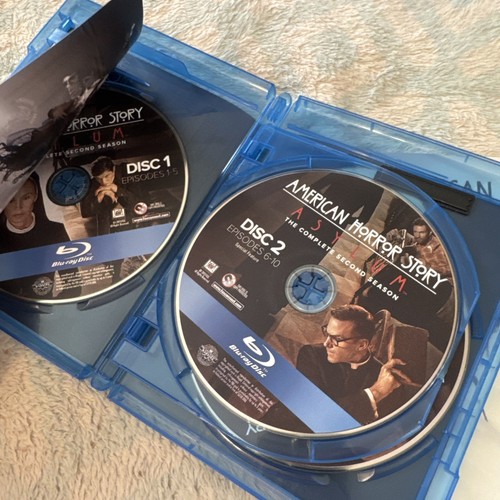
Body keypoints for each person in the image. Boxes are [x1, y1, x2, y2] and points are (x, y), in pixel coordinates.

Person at [296, 304, 416, 424]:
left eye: (337, 339)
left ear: (362, 345)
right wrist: (376, 393)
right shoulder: (311, 355)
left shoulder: (388, 379)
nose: (326, 344)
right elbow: (318, 415)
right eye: (327, 333)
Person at [0, 176, 74, 299]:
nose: (18, 207)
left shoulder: (55, 232)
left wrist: (51, 307)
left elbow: (73, 287)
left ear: (35, 197)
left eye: (26, 197)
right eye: (10, 199)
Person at [80, 156, 137, 235]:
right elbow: (85, 213)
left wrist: (117, 190)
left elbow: (139, 201)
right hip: (106, 231)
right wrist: (98, 198)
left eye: (107, 176)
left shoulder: (128, 174)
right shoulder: (91, 184)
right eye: (98, 178)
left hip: (135, 226)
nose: (103, 182)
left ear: (114, 169)